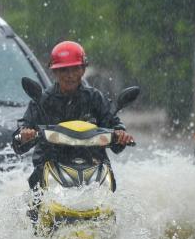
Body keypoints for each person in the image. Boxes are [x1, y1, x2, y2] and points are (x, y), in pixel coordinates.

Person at [12, 40, 135, 189]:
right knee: (36, 199)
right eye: (64, 70)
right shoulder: (42, 101)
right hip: (49, 167)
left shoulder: (95, 98)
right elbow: (19, 140)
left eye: (75, 69)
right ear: (55, 72)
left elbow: (114, 127)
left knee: (111, 196)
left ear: (83, 70)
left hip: (94, 167)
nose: (70, 75)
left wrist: (121, 135)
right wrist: (24, 135)